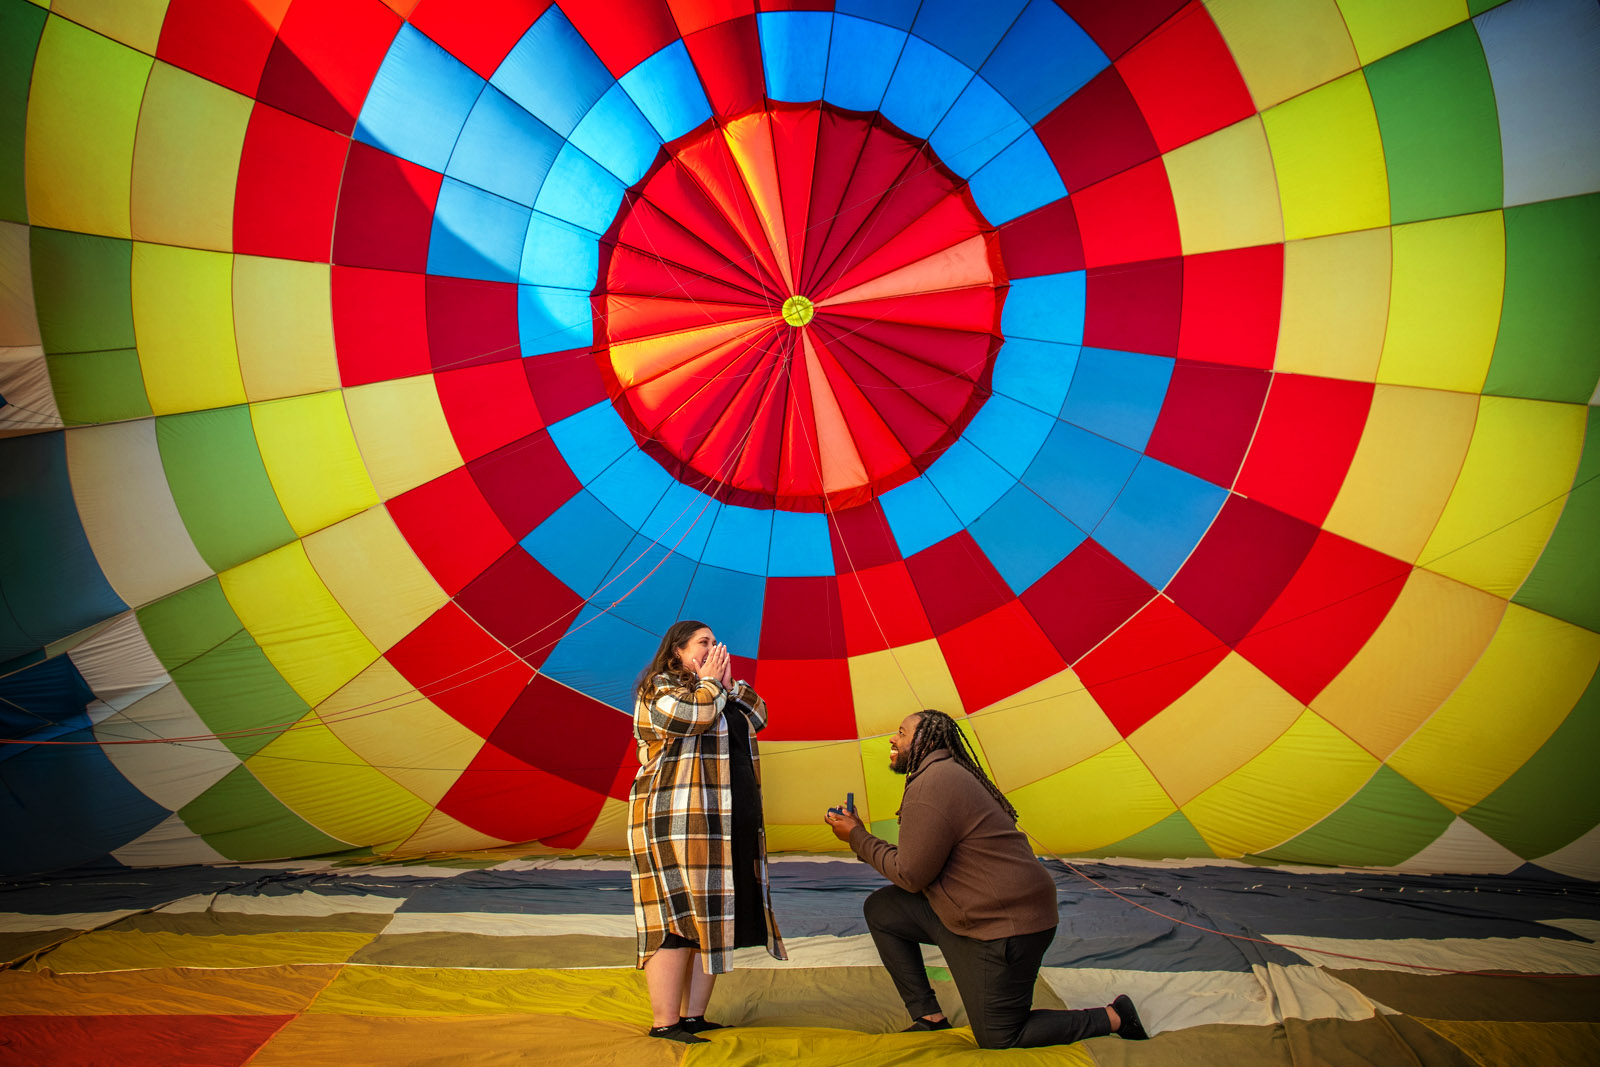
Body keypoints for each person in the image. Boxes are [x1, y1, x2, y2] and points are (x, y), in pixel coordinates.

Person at [824, 709, 1150, 1049]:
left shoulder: (933, 782)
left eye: (902, 732)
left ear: (930, 740)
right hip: (973, 913)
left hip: (1008, 927)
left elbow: (910, 875)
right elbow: (919, 864)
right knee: (883, 909)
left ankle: (1113, 1015)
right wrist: (858, 836)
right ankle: (930, 1018)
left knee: (1000, 1036)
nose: (893, 738)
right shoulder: (944, 774)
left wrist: (857, 837)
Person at [629, 620, 786, 1043]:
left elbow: (761, 717)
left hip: (724, 824)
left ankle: (695, 1016)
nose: (714, 647)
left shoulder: (718, 688)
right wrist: (712, 684)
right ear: (677, 651)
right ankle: (666, 1022)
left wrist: (729, 686)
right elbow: (687, 719)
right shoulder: (661, 687)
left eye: (715, 642)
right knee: (676, 918)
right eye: (703, 642)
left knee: (712, 916)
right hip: (677, 823)